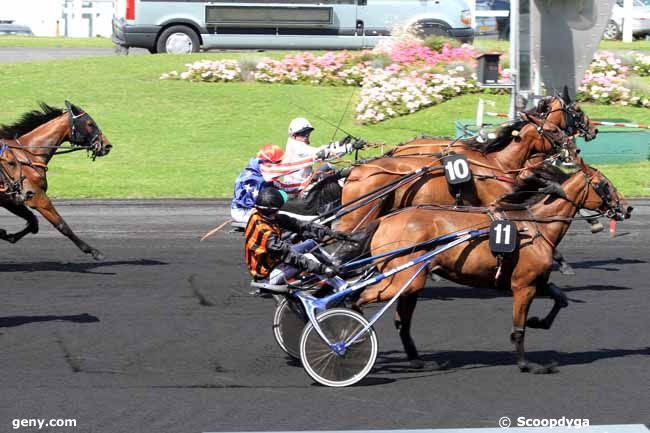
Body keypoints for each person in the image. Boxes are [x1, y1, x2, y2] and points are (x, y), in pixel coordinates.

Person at [244, 186, 345, 293]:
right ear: (275, 210)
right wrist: (322, 269)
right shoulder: (266, 234)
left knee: (310, 243)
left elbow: (297, 224)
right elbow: (291, 257)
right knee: (309, 257)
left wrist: (327, 231)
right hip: (268, 275)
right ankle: (342, 287)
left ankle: (337, 268)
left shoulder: (261, 214)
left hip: (275, 262)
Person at [230, 144, 285, 224]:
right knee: (284, 218)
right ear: (268, 162)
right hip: (243, 212)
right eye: (278, 162)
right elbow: (253, 204)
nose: (280, 164)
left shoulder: (261, 170)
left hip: (255, 207)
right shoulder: (254, 180)